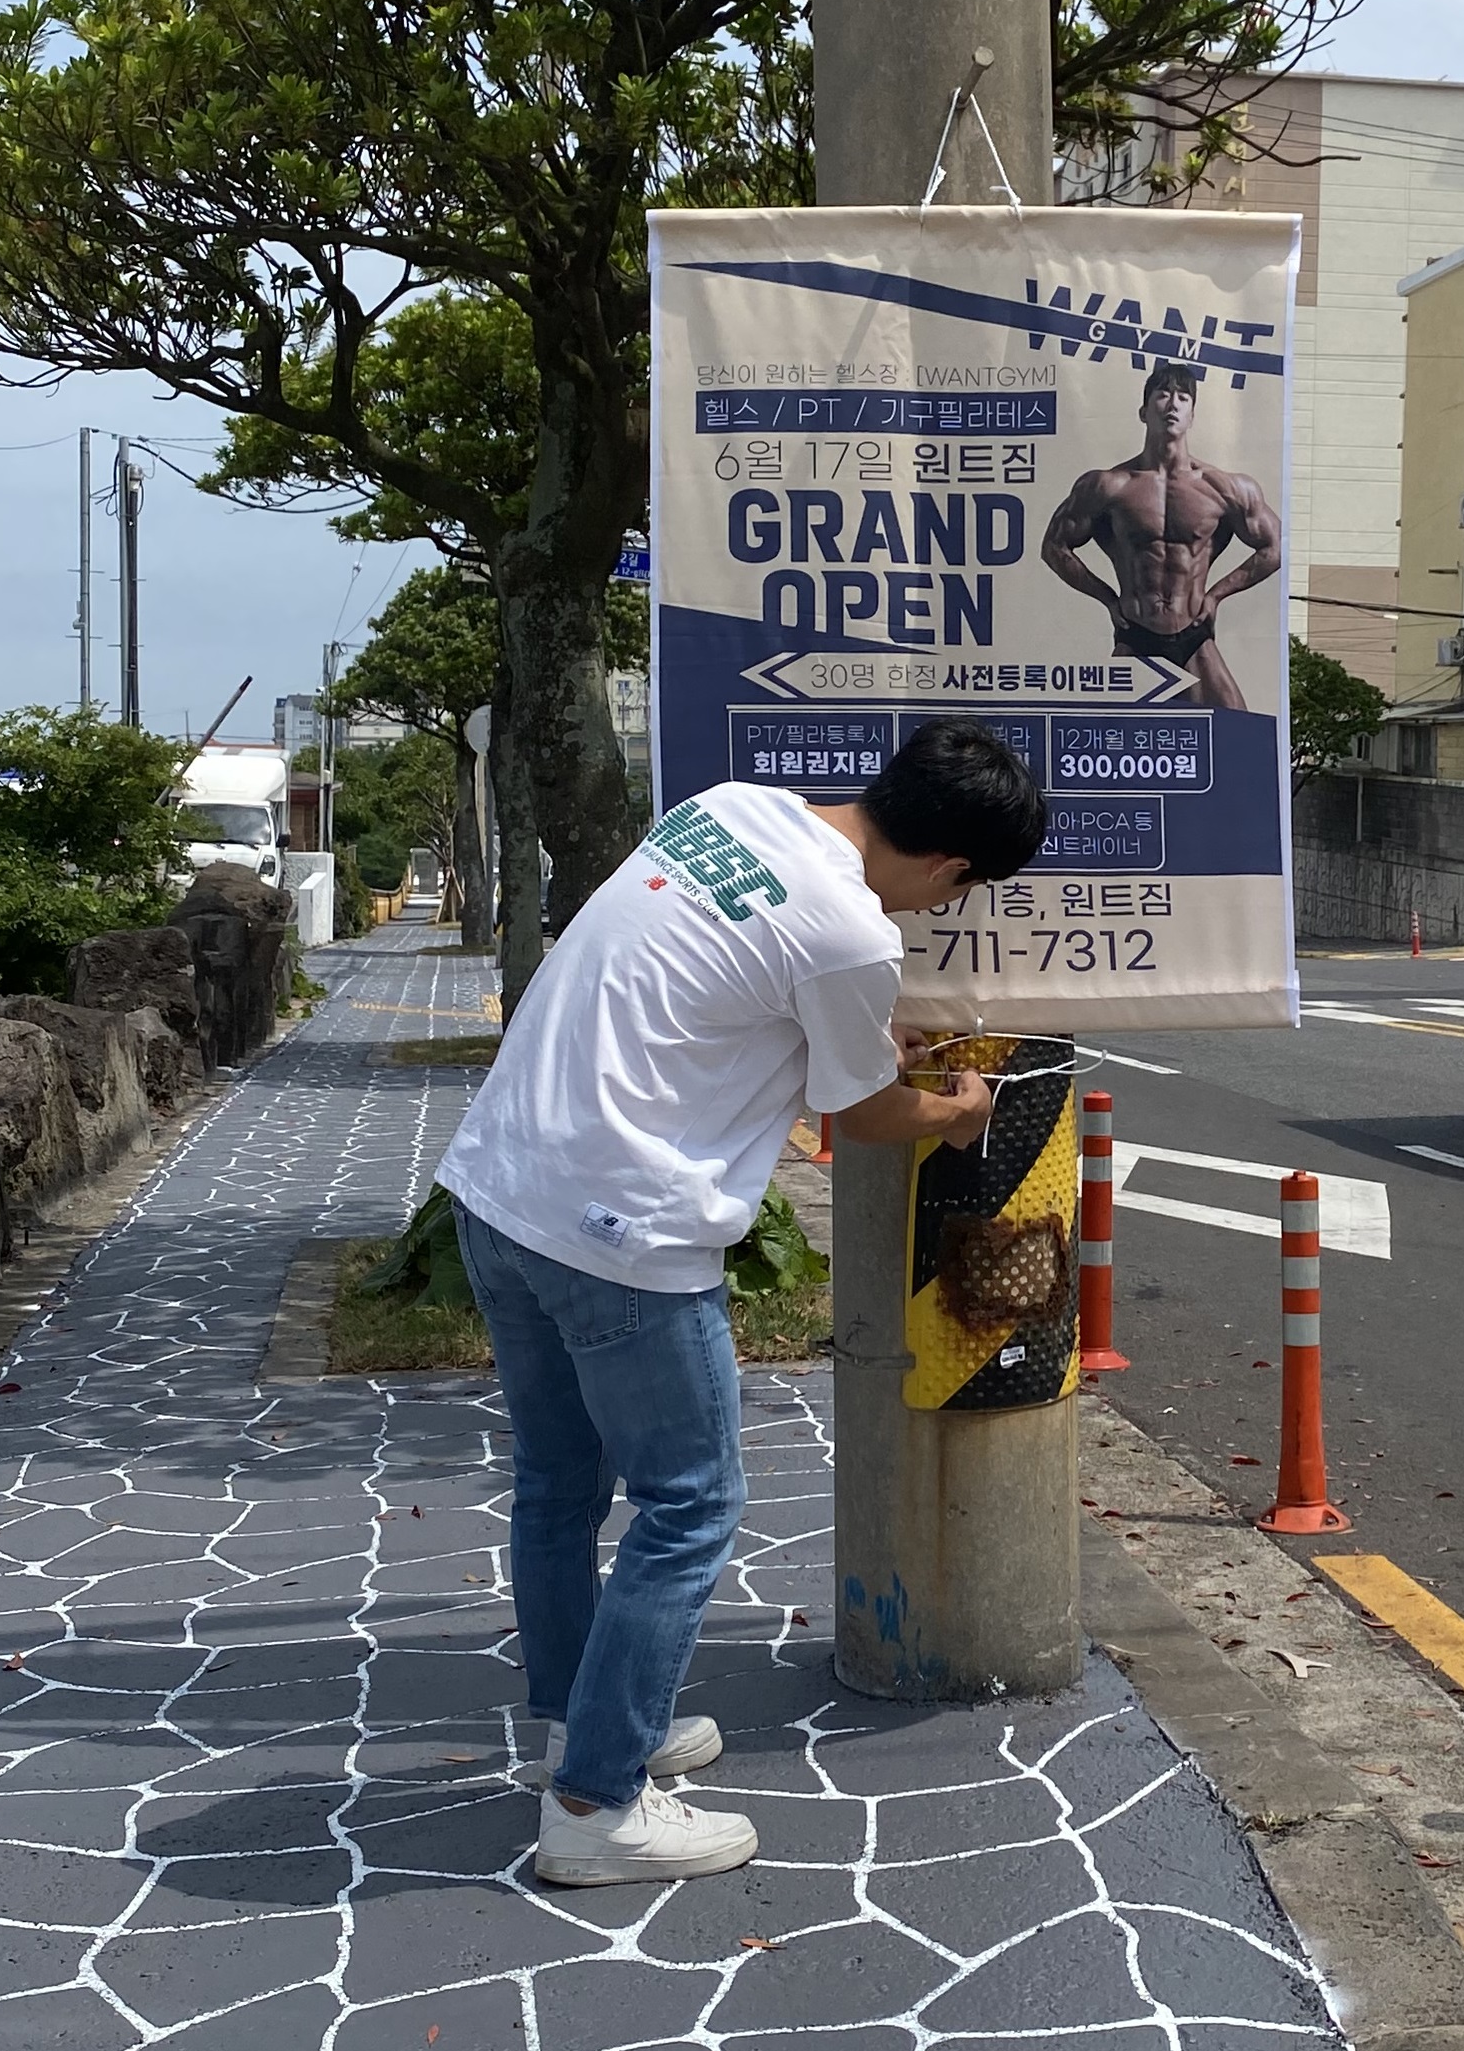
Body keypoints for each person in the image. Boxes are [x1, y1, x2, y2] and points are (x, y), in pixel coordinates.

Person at [433, 718, 1047, 1886]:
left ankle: (587, 1726)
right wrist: (959, 1111)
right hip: (622, 1232)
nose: (931, 914)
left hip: (499, 1189)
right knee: (690, 1503)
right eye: (953, 895)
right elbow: (861, 1115)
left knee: (560, 1486)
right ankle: (597, 1809)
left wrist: (869, 1031)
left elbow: (728, 987)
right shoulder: (851, 934)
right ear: (950, 868)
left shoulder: (729, 808)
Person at [1040, 361, 1282, 709]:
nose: (1172, 404)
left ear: (1192, 415)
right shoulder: (1109, 485)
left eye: (1183, 397)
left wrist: (1216, 595)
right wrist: (1107, 597)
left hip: (1194, 635)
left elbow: (1273, 548)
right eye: (1163, 395)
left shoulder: (1224, 487)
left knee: (1237, 738)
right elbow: (1054, 547)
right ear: (1143, 410)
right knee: (1114, 746)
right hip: (1135, 634)